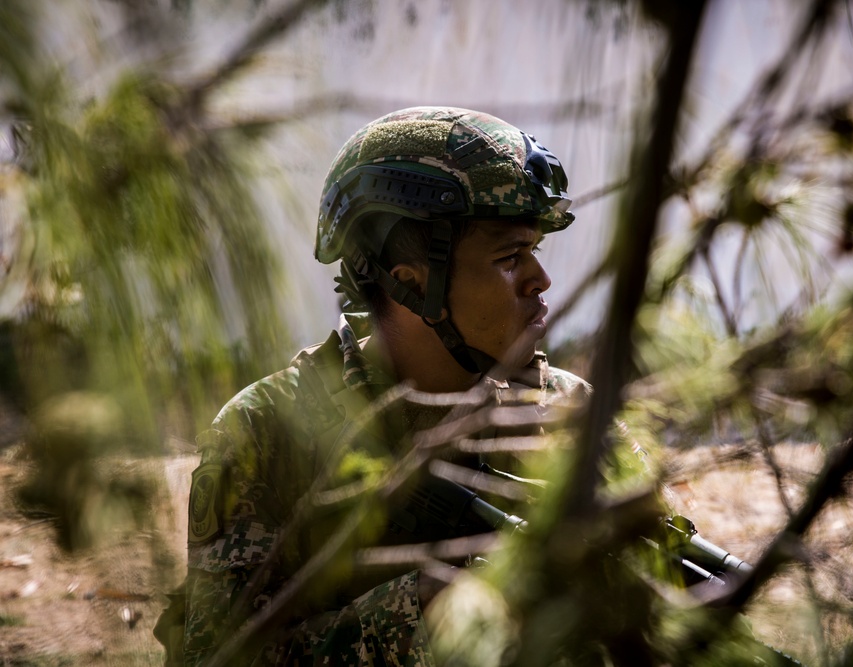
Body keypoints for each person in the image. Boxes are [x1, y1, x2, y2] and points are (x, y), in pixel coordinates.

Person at [157, 106, 590, 666]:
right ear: (413, 285)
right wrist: (419, 615)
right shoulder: (268, 431)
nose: (540, 279)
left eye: (534, 250)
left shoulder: (568, 412)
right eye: (509, 258)